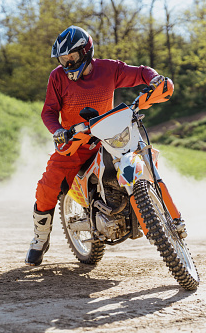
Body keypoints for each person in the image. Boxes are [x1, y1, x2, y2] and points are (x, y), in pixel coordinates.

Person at [25, 25, 165, 266]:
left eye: (72, 57)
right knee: (48, 183)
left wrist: (156, 79)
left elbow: (141, 73)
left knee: (143, 155)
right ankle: (40, 238)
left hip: (108, 135)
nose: (67, 64)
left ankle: (153, 211)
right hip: (75, 142)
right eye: (63, 59)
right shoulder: (57, 77)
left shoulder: (109, 69)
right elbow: (48, 112)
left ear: (86, 51)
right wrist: (58, 131)